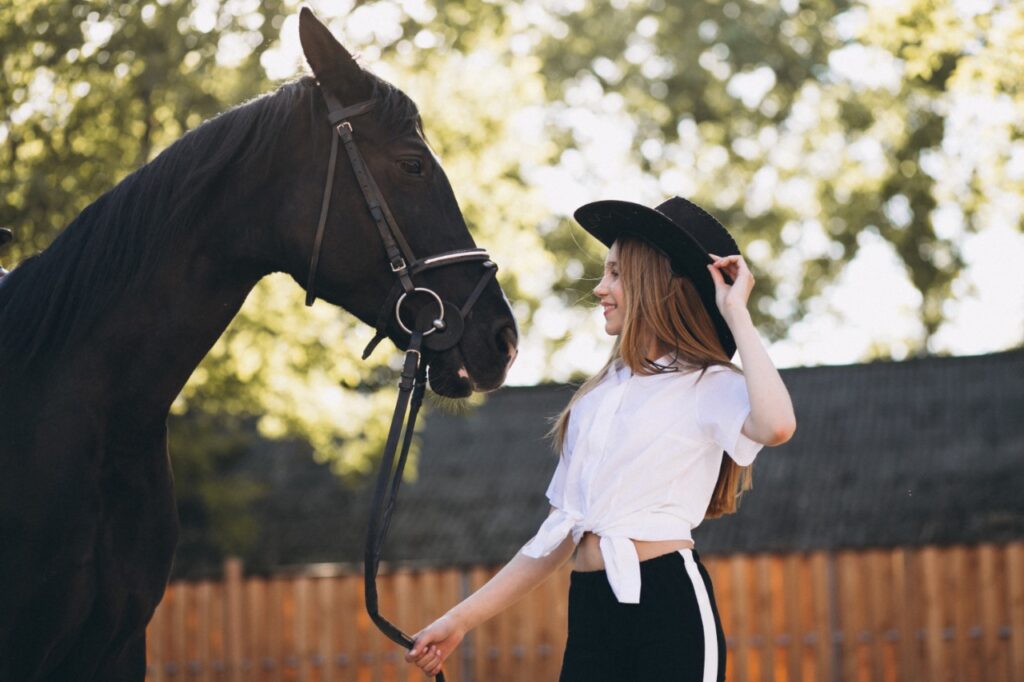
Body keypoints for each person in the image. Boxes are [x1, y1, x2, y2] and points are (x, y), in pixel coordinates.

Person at [405, 196, 796, 681]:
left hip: (666, 606)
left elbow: (777, 425)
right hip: (591, 610)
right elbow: (552, 539)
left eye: (614, 274)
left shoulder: (707, 384)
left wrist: (736, 313)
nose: (599, 288)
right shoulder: (594, 398)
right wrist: (457, 621)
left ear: (652, 283)